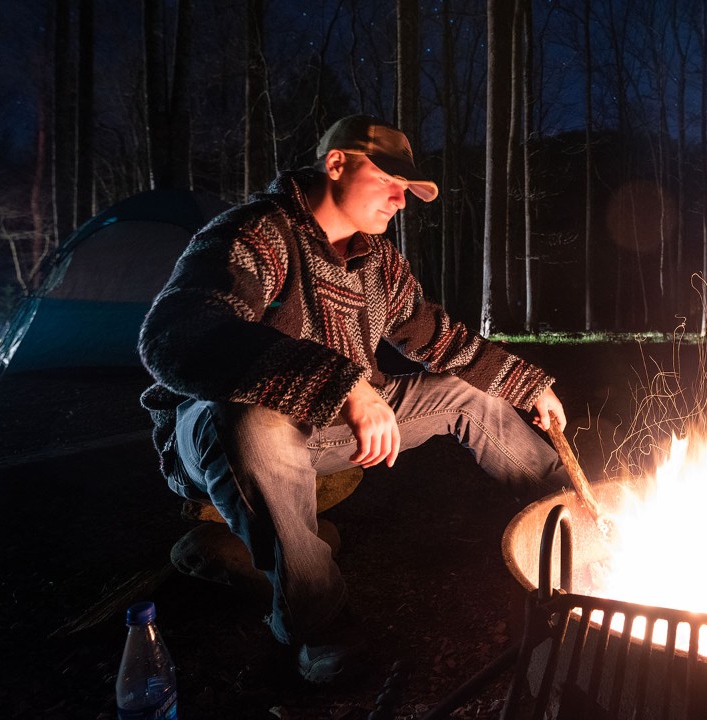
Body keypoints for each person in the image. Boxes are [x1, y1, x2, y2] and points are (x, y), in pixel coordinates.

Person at [138, 115, 571, 683]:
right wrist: (343, 384)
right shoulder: (257, 233)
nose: (400, 200)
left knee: (468, 394)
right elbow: (176, 335)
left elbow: (437, 338)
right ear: (337, 163)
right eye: (388, 180)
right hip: (215, 430)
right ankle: (321, 625)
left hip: (328, 423)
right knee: (257, 422)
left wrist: (527, 383)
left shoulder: (378, 261)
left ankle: (573, 513)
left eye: (407, 188)